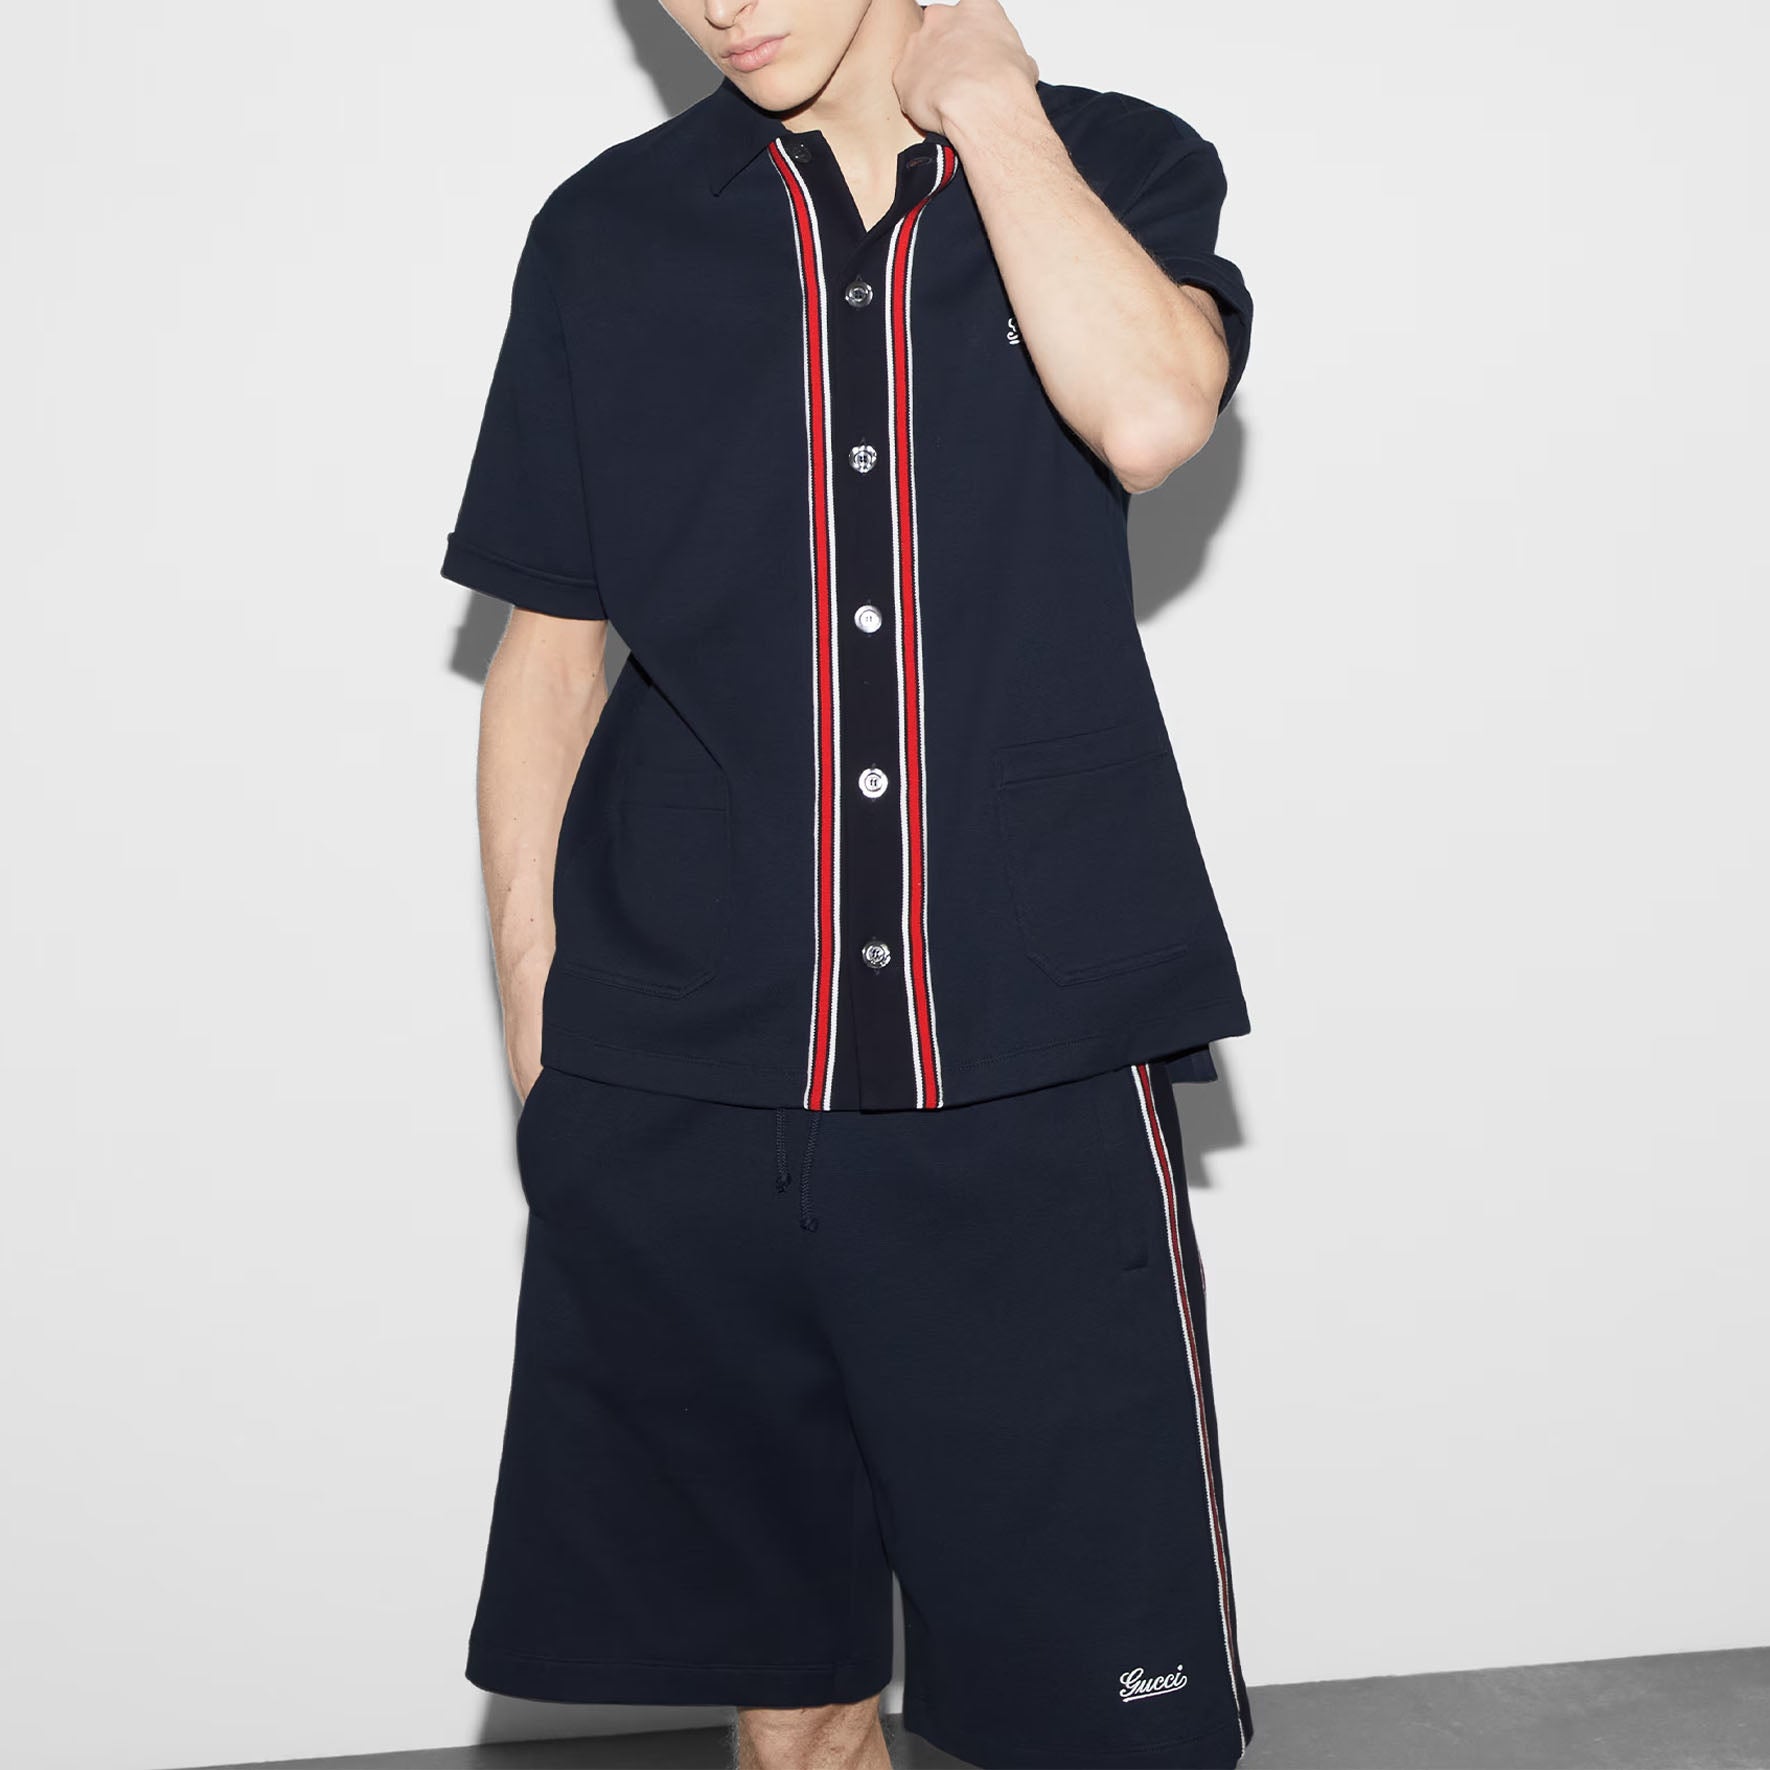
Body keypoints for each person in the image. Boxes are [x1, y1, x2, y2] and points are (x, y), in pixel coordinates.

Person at [440, 2, 1256, 1765]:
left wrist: (990, 107)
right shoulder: (607, 235)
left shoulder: (1112, 162)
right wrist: (542, 1035)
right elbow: (545, 655)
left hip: (1026, 1071)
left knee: (1113, 1727)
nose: (719, 5)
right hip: (688, 1082)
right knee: (793, 1706)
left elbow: (1147, 412)